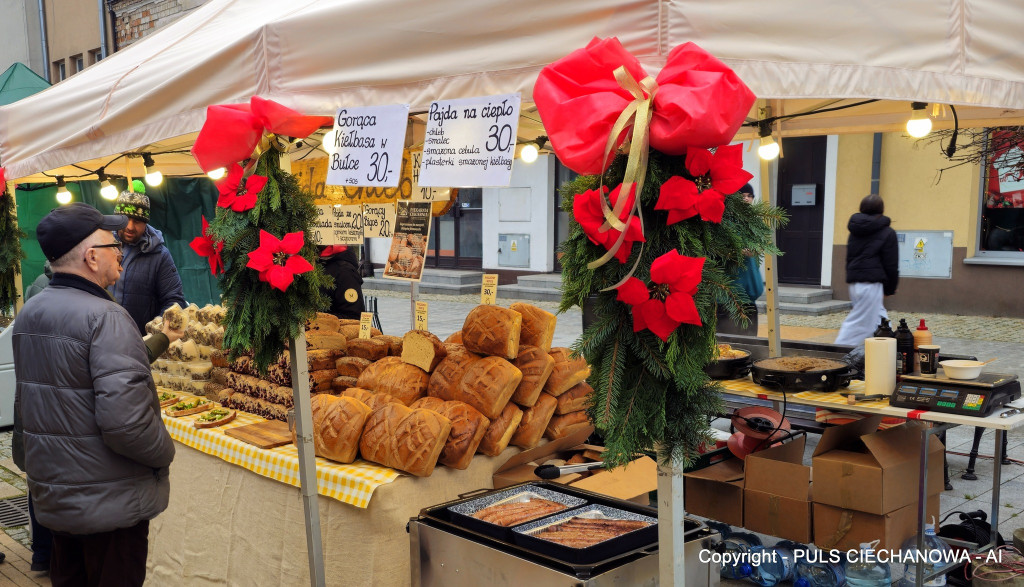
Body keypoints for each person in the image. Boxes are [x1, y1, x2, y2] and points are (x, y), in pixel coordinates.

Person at [12, 203, 177, 585]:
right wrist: (165, 453)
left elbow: (28, 407)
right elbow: (127, 425)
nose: (120, 251)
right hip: (110, 503)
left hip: (58, 496)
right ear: (90, 258)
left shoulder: (30, 313)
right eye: (111, 244)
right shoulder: (107, 317)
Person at [108, 181, 187, 334]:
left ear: (146, 223)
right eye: (125, 219)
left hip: (142, 344)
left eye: (137, 221)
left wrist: (155, 333)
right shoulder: (102, 246)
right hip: (103, 338)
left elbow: (174, 301)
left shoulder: (159, 255)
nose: (130, 227)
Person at [834, 194, 899, 346]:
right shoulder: (888, 232)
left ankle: (887, 347)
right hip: (871, 284)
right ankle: (836, 353)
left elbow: (850, 257)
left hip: (856, 283)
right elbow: (891, 264)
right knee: (859, 324)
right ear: (882, 210)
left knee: (879, 319)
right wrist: (890, 289)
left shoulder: (855, 231)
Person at [717, 183, 764, 336]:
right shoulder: (724, 221)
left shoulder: (754, 223)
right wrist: (737, 250)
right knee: (728, 345)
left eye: (749, 196)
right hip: (728, 298)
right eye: (742, 196)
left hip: (749, 297)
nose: (746, 199)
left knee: (750, 344)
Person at [320, 245, 365, 319]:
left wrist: (318, 319)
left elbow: (353, 316)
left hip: (328, 328)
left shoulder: (345, 271)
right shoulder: (316, 263)